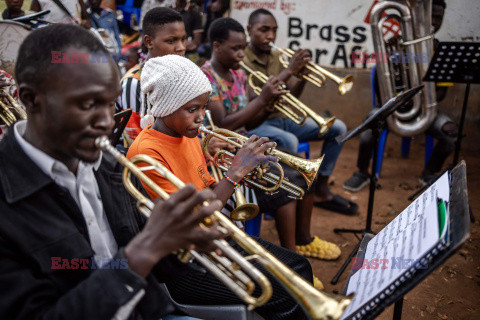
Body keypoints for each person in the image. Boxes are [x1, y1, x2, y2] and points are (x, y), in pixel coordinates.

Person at [0, 23, 226, 320]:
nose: (107, 122)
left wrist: (179, 244)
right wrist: (136, 258)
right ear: (30, 100)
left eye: (111, 104)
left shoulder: (108, 166)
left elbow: (145, 264)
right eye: (88, 104)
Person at [127, 54, 315, 320]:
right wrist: (236, 173)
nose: (201, 117)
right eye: (192, 109)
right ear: (166, 106)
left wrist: (248, 174)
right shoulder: (146, 153)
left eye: (203, 107)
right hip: (185, 265)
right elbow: (194, 220)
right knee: (286, 291)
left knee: (299, 266)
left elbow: (208, 186)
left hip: (213, 241)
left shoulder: (185, 134)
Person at [202, 17, 342, 264]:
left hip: (248, 144)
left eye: (241, 48)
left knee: (307, 173)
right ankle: (292, 258)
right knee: (287, 183)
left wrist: (267, 104)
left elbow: (250, 123)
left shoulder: (239, 75)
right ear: (216, 46)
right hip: (228, 153)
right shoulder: (207, 77)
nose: (240, 54)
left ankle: (303, 240)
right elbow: (223, 124)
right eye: (235, 49)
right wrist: (262, 99)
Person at [243, 8, 358, 215]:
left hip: (285, 118)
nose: (270, 36)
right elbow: (256, 102)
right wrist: (290, 71)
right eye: (264, 30)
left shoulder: (278, 57)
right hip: (259, 123)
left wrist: (302, 77)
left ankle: (321, 186)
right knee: (289, 142)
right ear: (249, 29)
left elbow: (290, 97)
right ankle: (283, 197)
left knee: (339, 128)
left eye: (274, 30)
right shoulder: (240, 59)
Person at [342, 0, 457, 191]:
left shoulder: (441, 52)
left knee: (451, 135)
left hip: (426, 109)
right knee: (367, 130)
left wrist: (420, 99)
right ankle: (362, 172)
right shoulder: (396, 46)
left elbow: (442, 92)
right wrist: (390, 56)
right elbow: (381, 93)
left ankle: (428, 172)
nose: (434, 22)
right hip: (392, 107)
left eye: (439, 18)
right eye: (430, 16)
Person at [116, 7, 187, 144]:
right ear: (149, 42)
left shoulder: (179, 76)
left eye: (183, 40)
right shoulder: (134, 83)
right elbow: (137, 144)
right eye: (171, 41)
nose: (181, 47)